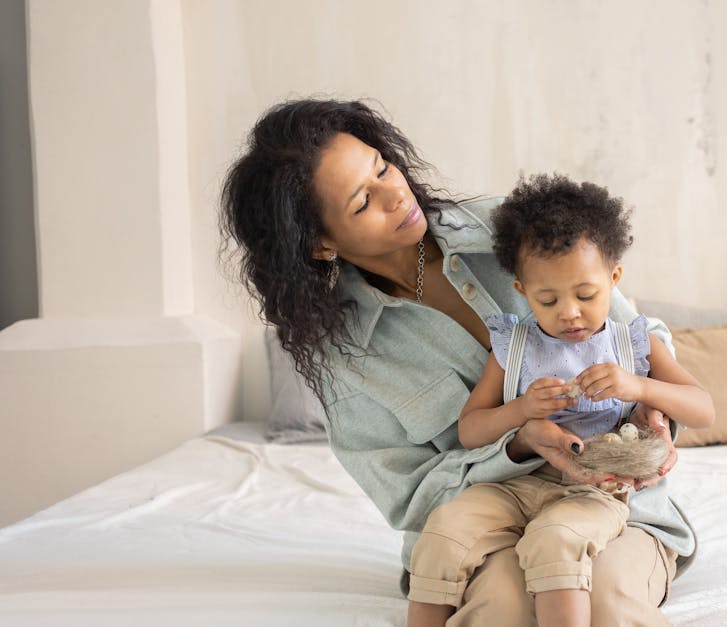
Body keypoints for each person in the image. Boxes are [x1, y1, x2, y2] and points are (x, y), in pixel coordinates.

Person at [219, 99, 696, 627]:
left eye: (383, 166)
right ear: (322, 245)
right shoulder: (344, 354)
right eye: (363, 202)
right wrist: (516, 442)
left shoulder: (513, 231)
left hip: (613, 503)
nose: (396, 193)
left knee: (602, 601)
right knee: (503, 609)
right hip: (483, 527)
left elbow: (635, 338)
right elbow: (407, 492)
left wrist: (652, 414)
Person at [405, 173, 714, 627]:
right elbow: (471, 432)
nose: (569, 312)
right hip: (514, 484)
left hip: (593, 489)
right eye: (548, 300)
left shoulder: (635, 342)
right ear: (523, 293)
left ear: (614, 278)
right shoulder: (512, 347)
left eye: (586, 295)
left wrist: (639, 387)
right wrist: (521, 410)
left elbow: (702, 408)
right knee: (445, 530)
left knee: (556, 538)